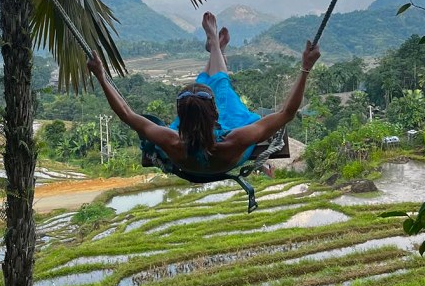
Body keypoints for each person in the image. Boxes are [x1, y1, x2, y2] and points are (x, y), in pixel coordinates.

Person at [87, 11, 320, 176]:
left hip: (186, 161)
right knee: (222, 88)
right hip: (227, 157)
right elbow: (287, 113)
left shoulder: (170, 139)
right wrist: (306, 68)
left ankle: (216, 48)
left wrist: (100, 76)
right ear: (215, 112)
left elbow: (126, 114)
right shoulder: (235, 139)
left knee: (205, 91)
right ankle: (216, 48)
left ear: (180, 117)